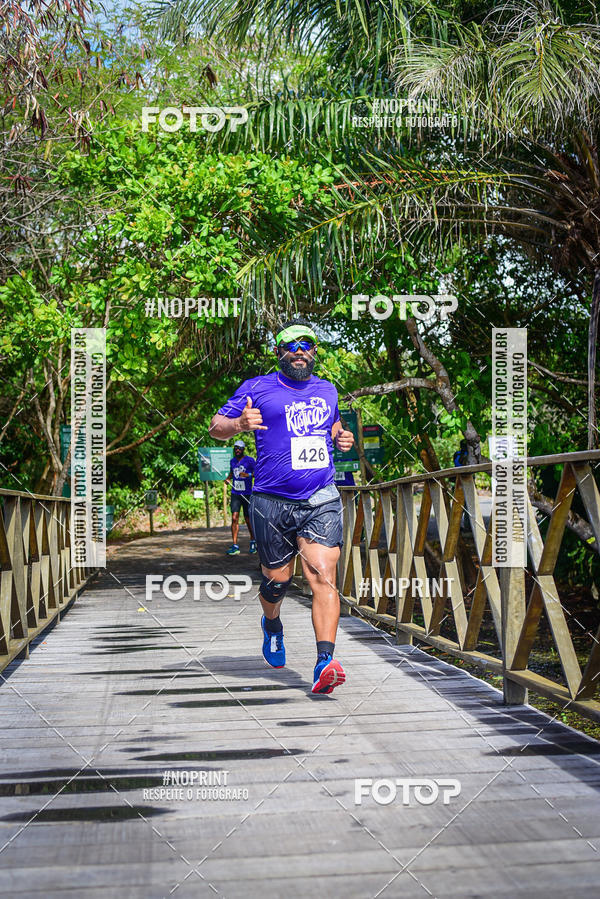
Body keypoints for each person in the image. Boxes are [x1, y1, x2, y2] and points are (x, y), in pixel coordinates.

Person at [209, 319, 355, 694]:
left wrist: (342, 437)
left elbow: (334, 427)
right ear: (278, 352)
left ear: (315, 351)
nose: (300, 350)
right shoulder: (256, 388)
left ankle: (324, 661)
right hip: (270, 500)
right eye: (292, 345)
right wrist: (239, 424)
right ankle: (272, 624)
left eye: (307, 344)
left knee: (323, 574)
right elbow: (215, 426)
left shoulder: (327, 390)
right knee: (277, 581)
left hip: (320, 496)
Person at [223, 439, 257, 555]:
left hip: (247, 493)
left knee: (248, 519)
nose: (237, 450)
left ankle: (253, 541)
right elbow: (232, 473)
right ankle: (235, 545)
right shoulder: (232, 461)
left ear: (243, 449)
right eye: (236, 448)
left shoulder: (250, 460)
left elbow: (258, 474)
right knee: (234, 518)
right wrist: (228, 479)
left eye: (239, 448)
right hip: (235, 493)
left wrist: (248, 475)